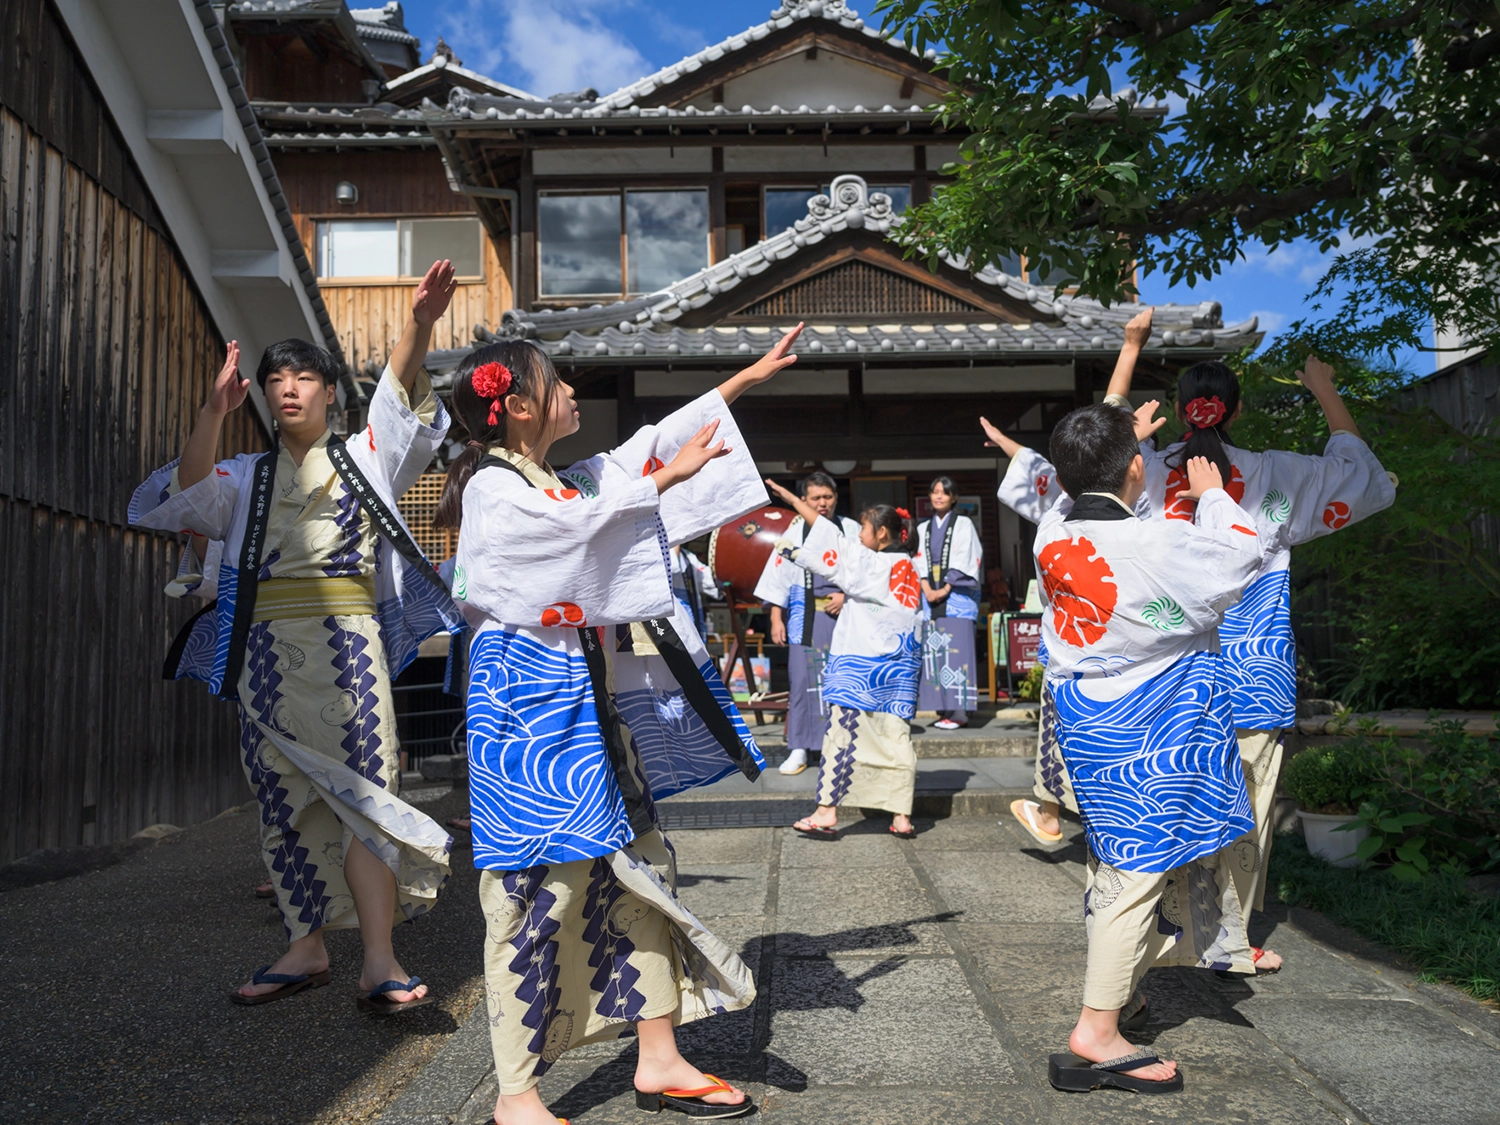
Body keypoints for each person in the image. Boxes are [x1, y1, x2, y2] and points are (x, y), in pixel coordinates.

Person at [442, 325, 805, 1125]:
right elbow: (582, 522)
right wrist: (664, 479)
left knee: (642, 865)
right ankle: (515, 1095)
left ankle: (660, 1053)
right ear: (523, 405)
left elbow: (641, 454)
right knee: (538, 891)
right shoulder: (493, 491)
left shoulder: (556, 478)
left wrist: (742, 381)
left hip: (583, 697)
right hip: (526, 713)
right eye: (560, 381)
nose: (573, 391)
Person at [990, 308, 1397, 973]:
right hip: (1250, 665)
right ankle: (1228, 939)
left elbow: (1093, 450)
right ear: (1230, 412)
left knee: (1144, 806)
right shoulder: (1274, 474)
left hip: (1159, 676)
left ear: (1178, 412)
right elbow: (1356, 474)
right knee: (1245, 809)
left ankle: (1139, 935)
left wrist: (1129, 352)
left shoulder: (1139, 473)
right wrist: (1323, 388)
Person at [129, 260, 465, 1010]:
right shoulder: (244, 474)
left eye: (304, 377)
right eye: (276, 377)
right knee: (282, 800)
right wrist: (214, 410)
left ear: (328, 392)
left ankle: (379, 958)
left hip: (350, 647)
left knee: (366, 799)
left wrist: (418, 322)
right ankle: (305, 942)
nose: (288, 386)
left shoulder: (368, 456)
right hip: (266, 657)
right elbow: (189, 496)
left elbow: (398, 398)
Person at [1033, 404, 1265, 1095]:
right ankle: (1096, 1031)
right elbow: (1240, 556)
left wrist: (1105, 438)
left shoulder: (1052, 530)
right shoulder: (1157, 541)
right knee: (1135, 873)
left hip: (1086, 715)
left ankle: (1124, 992)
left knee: (1122, 860)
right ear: (1138, 467)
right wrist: (1214, 492)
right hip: (1149, 720)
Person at [764, 484, 924, 840]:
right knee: (897, 737)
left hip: (860, 667)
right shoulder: (909, 566)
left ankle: (826, 811)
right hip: (899, 668)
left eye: (864, 529)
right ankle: (901, 815)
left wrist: (793, 502)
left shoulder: (868, 562)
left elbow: (829, 538)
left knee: (842, 736)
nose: (859, 535)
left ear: (881, 533)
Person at [754, 471, 862, 775]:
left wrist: (845, 593)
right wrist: (776, 616)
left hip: (844, 615)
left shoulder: (851, 528)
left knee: (843, 681)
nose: (822, 503)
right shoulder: (793, 531)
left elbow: (863, 569)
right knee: (801, 682)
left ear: (836, 498)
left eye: (827, 497)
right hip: (804, 615)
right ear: (804, 500)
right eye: (816, 498)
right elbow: (777, 578)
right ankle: (799, 747)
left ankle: (843, 746)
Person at [915, 477, 983, 729]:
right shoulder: (922, 528)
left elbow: (967, 557)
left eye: (944, 493)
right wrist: (927, 589)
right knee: (935, 655)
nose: (939, 496)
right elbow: (918, 562)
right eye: (934, 492)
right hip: (930, 598)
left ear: (954, 497)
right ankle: (944, 708)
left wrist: (944, 588)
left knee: (957, 655)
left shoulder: (963, 524)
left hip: (956, 599)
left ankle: (959, 713)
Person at [669, 542, 719, 638]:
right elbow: (672, 569)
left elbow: (708, 579)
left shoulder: (688, 556)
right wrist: (674, 543)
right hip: (672, 620)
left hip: (690, 614)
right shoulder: (660, 553)